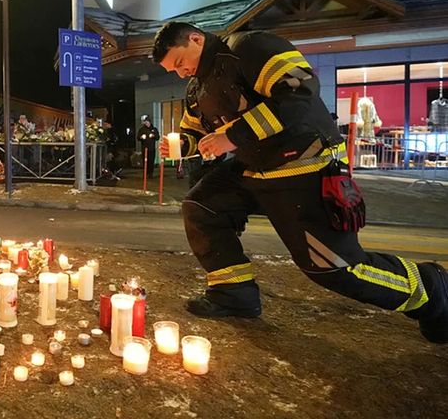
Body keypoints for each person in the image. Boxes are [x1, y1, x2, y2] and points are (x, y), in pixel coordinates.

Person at [153, 21, 448, 343]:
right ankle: (233, 293)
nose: (181, 73)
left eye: (181, 63)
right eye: (174, 71)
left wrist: (234, 136)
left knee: (335, 268)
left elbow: (299, 91)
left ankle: (431, 288)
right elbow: (197, 133)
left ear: (196, 38)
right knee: (201, 207)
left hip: (307, 165)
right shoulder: (197, 89)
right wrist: (182, 145)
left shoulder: (249, 48)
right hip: (254, 168)